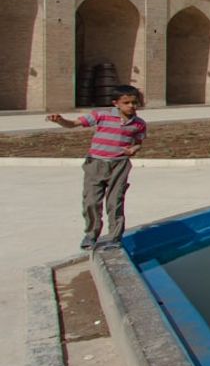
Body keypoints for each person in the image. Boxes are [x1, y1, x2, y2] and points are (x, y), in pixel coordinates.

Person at [46, 85, 147, 250]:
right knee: (91, 202)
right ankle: (91, 234)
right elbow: (73, 124)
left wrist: (133, 150)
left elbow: (138, 143)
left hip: (119, 165)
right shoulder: (101, 115)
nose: (131, 106)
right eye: (126, 102)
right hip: (96, 164)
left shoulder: (139, 124)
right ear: (116, 103)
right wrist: (60, 120)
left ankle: (114, 237)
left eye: (134, 102)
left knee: (115, 202)